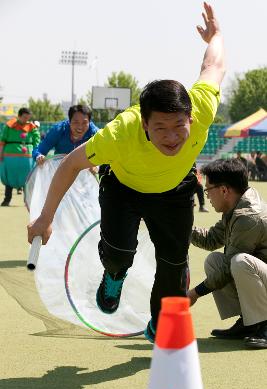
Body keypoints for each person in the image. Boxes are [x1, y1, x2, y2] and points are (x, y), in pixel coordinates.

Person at [28, 2, 225, 343]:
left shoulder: (202, 107)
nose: (172, 137)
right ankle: (114, 275)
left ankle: (158, 319)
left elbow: (214, 65)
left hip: (175, 190)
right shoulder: (120, 133)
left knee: (173, 261)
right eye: (160, 127)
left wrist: (216, 36)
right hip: (123, 189)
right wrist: (45, 217)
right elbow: (71, 164)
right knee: (119, 254)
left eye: (179, 126)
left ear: (190, 118)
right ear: (145, 123)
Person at [188, 158, 267, 349]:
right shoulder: (237, 204)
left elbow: (229, 267)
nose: (207, 196)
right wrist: (182, 228)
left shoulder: (248, 216)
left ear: (224, 190)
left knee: (240, 262)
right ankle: (249, 323)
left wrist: (195, 293)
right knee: (214, 260)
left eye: (208, 190)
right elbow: (212, 240)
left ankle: (264, 326)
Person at [32, 105, 98, 165]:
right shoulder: (58, 130)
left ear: (89, 122)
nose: (80, 127)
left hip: (84, 171)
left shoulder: (95, 134)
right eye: (76, 122)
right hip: (60, 167)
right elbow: (39, 150)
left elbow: (105, 151)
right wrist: (39, 156)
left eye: (84, 123)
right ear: (69, 121)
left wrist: (96, 166)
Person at [0, 107, 40, 206]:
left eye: (28, 117)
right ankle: (7, 199)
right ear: (19, 116)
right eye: (24, 117)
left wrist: (38, 154)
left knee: (27, 179)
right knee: (9, 177)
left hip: (27, 158)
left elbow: (37, 142)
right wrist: (0, 154)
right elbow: (2, 141)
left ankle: (28, 201)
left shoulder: (32, 127)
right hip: (10, 157)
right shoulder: (9, 126)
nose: (26, 119)